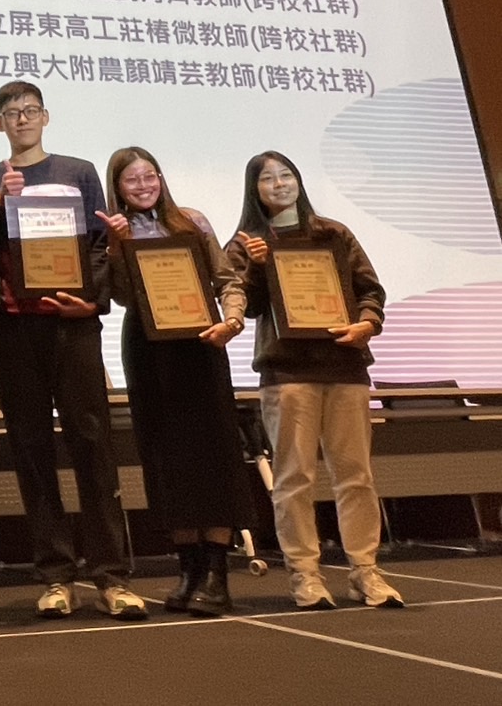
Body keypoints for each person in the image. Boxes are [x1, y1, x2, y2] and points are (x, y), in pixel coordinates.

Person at [0, 81, 144, 620]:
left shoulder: (79, 172)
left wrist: (90, 302)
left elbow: (98, 246)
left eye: (30, 110)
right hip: (14, 329)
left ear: (46, 117)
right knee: (31, 448)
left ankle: (111, 575)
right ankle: (56, 575)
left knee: (93, 444)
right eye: (11, 113)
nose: (21, 119)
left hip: (73, 326)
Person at [226, 151, 404, 611]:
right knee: (293, 478)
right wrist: (258, 266)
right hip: (287, 372)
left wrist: (367, 324)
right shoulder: (247, 243)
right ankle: (304, 574)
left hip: (345, 367)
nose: (279, 184)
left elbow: (370, 290)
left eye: (286, 175)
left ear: (299, 181)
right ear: (254, 189)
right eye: (268, 179)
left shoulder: (333, 233)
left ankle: (365, 570)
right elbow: (244, 303)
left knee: (356, 476)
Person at [100, 147, 251, 616]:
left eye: (150, 176)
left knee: (213, 454)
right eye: (131, 180)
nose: (143, 185)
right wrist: (117, 247)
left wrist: (232, 321)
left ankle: (217, 574)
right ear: (117, 188)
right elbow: (119, 295)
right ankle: (189, 570)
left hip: (201, 343)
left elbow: (227, 280)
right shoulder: (114, 233)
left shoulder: (192, 221)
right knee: (165, 457)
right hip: (147, 349)